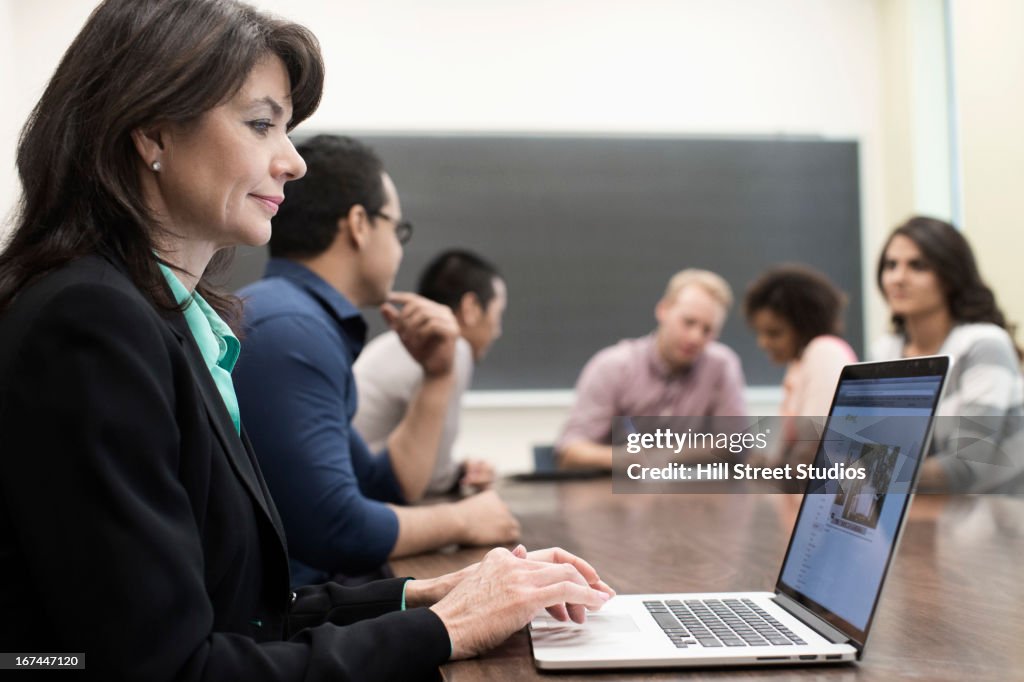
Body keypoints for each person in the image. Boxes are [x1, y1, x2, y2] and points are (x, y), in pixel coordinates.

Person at [0, 1, 613, 679]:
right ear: (151, 134)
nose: (292, 161)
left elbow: (239, 610)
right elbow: (169, 668)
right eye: (262, 124)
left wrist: (423, 594)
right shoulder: (92, 324)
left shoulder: (174, 321)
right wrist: (445, 629)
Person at [234, 135, 520, 588]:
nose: (400, 249)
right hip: (284, 619)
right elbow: (338, 529)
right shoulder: (291, 329)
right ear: (359, 225)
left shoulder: (293, 317)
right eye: (397, 229)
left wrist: (438, 375)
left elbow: (384, 486)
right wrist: (462, 519)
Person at [871, 216, 1024, 493]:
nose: (898, 278)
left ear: (951, 275)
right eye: (890, 265)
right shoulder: (885, 350)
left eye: (917, 266)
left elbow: (965, 466)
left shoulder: (984, 345)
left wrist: (867, 473)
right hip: (928, 516)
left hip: (1000, 522)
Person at [556, 268, 747, 468]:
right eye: (688, 322)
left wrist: (662, 456)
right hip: (616, 494)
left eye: (707, 330)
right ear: (663, 311)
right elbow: (570, 450)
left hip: (692, 494)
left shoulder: (722, 366)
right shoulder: (613, 366)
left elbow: (737, 445)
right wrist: (623, 459)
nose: (695, 338)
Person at [354, 249, 506, 495]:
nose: (497, 331)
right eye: (497, 316)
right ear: (471, 308)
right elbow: (433, 476)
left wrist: (459, 470)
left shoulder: (393, 344)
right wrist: (457, 476)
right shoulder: (453, 348)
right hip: (369, 491)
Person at [744, 265, 857, 467]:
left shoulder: (824, 351)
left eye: (774, 333)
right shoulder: (800, 363)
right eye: (759, 333)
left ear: (804, 327)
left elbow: (813, 449)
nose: (763, 343)